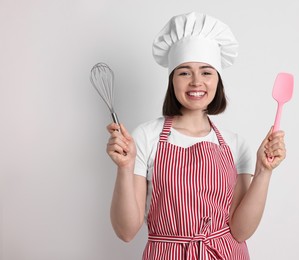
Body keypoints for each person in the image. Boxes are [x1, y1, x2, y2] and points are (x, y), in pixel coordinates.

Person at [106, 12, 286, 259]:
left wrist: (264, 170)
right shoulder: (146, 137)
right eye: (184, 72)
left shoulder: (236, 144)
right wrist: (125, 168)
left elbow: (241, 231)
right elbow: (126, 231)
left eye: (206, 72)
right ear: (172, 81)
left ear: (217, 81)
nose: (196, 82)